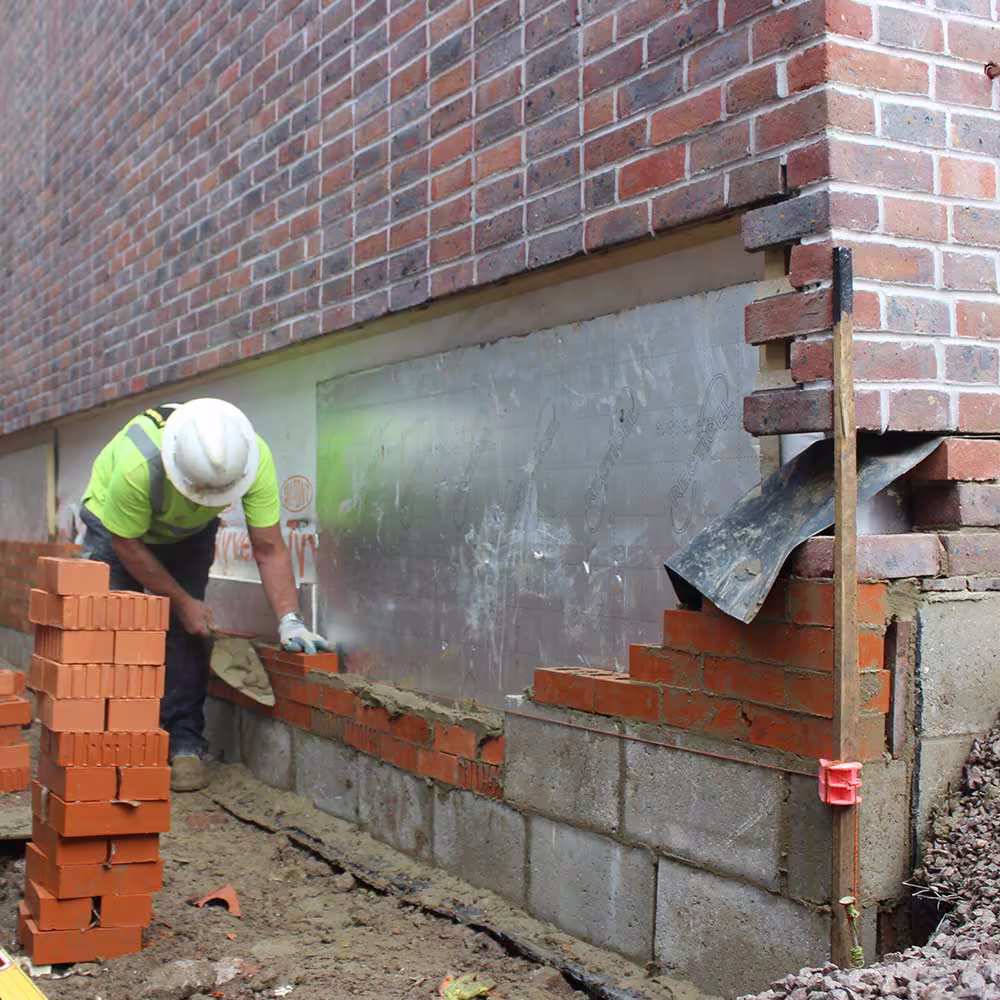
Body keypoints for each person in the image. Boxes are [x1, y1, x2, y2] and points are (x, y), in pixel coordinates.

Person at [79, 398, 329, 792]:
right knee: (115, 628)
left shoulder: (251, 457)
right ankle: (112, 743)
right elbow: (127, 544)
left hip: (187, 534)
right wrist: (181, 600)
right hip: (116, 530)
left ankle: (184, 744)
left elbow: (268, 547)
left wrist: (290, 620)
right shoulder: (136, 466)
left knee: (190, 631)